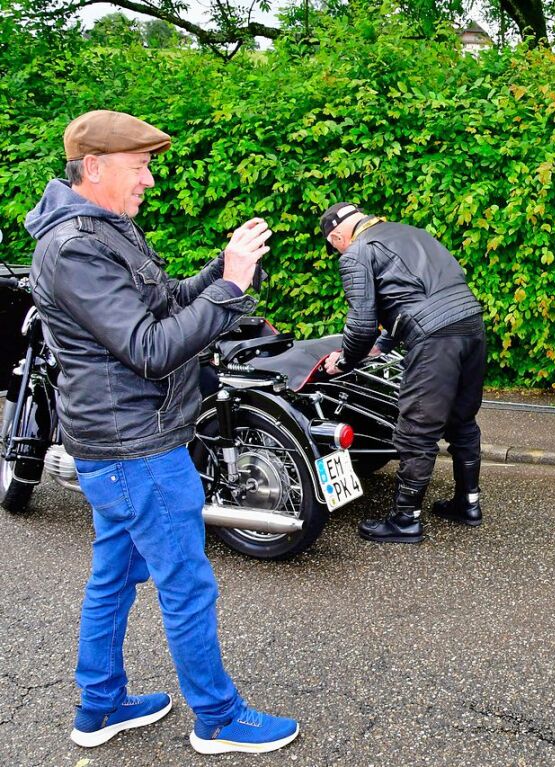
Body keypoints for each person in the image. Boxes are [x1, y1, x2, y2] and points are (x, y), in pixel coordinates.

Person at [25, 110, 299, 755]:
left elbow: (162, 300)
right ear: (94, 167)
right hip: (136, 446)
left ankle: (100, 707)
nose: (149, 178)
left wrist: (218, 270)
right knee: (185, 582)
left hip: (124, 443)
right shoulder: (75, 248)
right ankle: (218, 719)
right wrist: (231, 287)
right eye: (139, 165)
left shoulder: (99, 231)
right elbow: (149, 348)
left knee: (115, 576)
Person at [320, 202, 486, 543]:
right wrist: (383, 346)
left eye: (333, 245)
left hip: (435, 338)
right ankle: (468, 504)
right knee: (461, 420)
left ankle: (405, 519)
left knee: (416, 429)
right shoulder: (410, 233)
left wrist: (345, 361)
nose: (336, 250)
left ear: (337, 235)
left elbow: (362, 323)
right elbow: (414, 295)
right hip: (471, 324)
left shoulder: (356, 253)